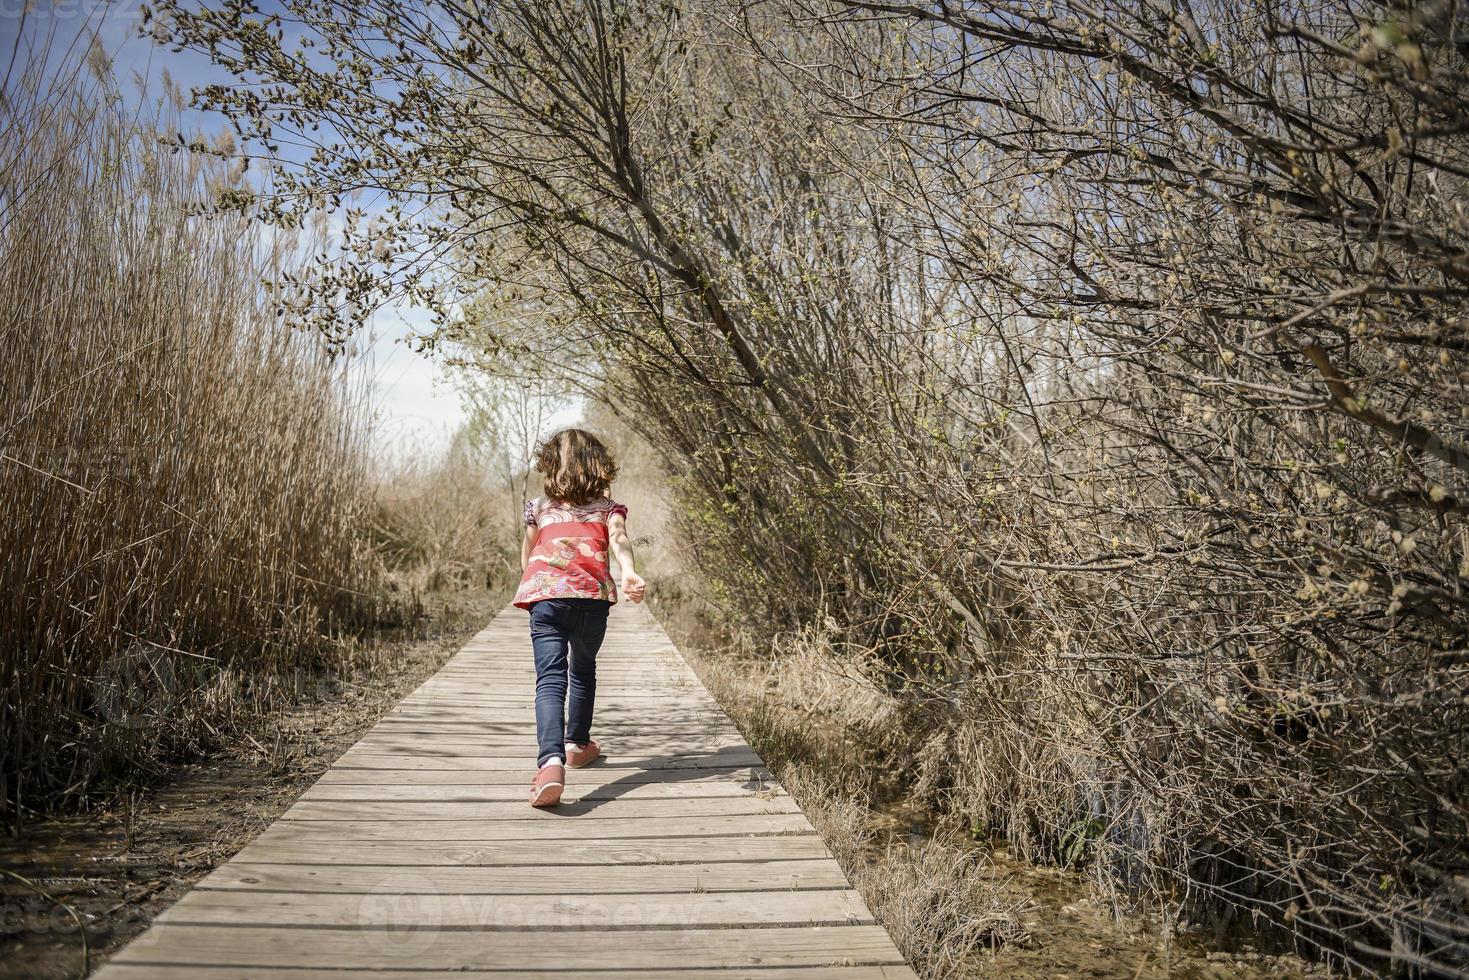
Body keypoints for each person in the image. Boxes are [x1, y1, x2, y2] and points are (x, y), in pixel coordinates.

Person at [512, 428, 646, 807]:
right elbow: (618, 539)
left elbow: (528, 554)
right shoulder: (608, 509)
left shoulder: (539, 508)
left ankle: (550, 763)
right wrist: (628, 571)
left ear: (550, 466)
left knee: (550, 679)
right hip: (591, 600)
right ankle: (577, 744)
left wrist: (536, 585)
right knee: (583, 669)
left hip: (547, 600)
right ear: (598, 466)